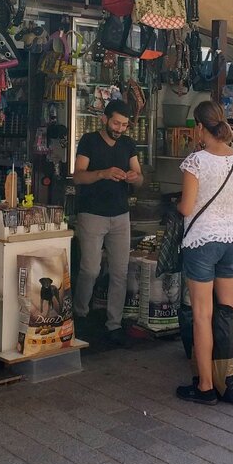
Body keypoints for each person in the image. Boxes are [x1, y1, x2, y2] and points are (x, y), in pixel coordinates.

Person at [175, 101, 233, 405]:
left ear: (199, 127)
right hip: (230, 239)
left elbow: (186, 207)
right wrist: (223, 205)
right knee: (230, 308)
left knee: (202, 314)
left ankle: (206, 386)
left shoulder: (195, 162)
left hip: (201, 242)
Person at [72, 99, 143, 344]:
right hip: (92, 214)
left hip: (121, 215)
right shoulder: (89, 141)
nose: (119, 129)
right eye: (116, 123)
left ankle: (114, 324)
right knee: (90, 269)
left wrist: (134, 177)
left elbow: (140, 178)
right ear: (104, 119)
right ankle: (80, 314)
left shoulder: (128, 144)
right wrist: (103, 173)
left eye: (124, 125)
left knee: (120, 272)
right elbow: (78, 177)